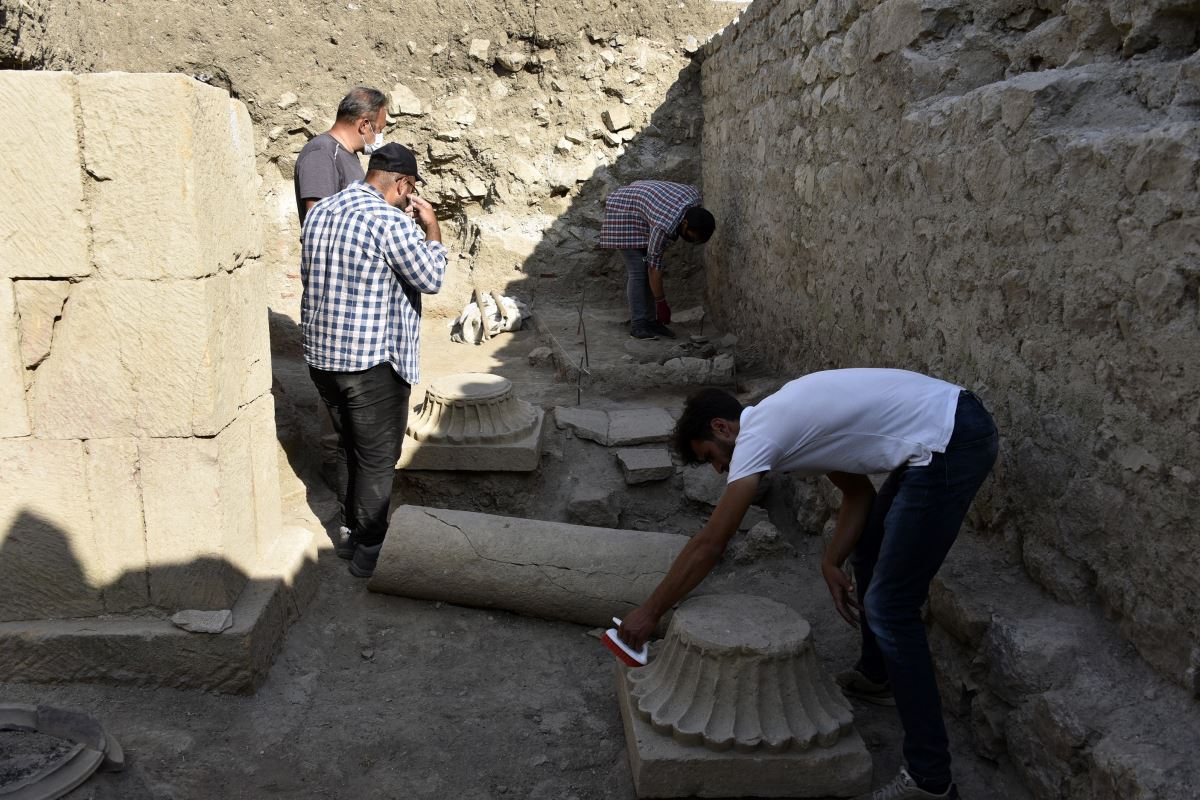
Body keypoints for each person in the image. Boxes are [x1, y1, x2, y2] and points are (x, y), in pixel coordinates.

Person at [617, 369, 999, 800]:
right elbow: (859, 496)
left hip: (948, 440)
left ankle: (931, 781)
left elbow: (710, 544)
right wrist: (831, 559)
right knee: (868, 546)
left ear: (723, 427)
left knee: (892, 606)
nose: (720, 468)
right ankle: (878, 676)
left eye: (711, 456)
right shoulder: (786, 425)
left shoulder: (761, 431)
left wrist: (651, 611)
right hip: (945, 429)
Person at [300, 143, 447, 578]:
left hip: (324, 359)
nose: (410, 198)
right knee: (377, 459)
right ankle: (370, 549)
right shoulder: (388, 220)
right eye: (411, 190)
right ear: (403, 184)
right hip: (371, 364)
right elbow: (432, 277)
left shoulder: (322, 211)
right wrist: (432, 229)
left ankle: (349, 533)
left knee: (349, 448)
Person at [293, 86, 391, 533]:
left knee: (359, 431)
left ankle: (352, 509)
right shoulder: (320, 155)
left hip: (356, 304)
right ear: (364, 122)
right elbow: (320, 225)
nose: (379, 136)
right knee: (345, 431)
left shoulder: (348, 159)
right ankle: (344, 510)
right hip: (336, 305)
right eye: (380, 127)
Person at [598, 180, 715, 341]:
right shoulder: (663, 226)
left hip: (641, 205)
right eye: (690, 236)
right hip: (623, 211)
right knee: (639, 271)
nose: (689, 240)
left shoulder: (694, 198)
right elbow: (654, 268)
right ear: (685, 223)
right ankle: (638, 325)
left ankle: (651, 322)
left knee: (646, 268)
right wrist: (661, 302)